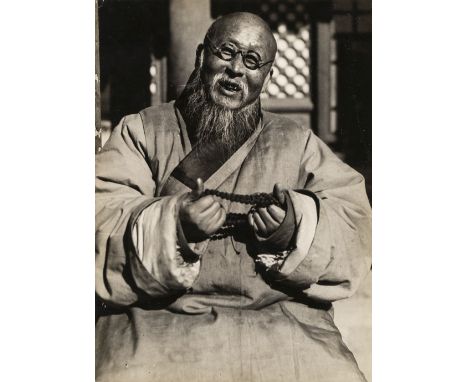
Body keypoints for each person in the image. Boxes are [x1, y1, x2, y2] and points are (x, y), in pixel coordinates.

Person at [95, 12, 371, 382]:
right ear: (200, 56)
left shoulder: (297, 141)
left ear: (268, 76)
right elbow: (100, 212)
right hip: (159, 314)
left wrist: (295, 225)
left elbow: (354, 221)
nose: (236, 70)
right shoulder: (142, 130)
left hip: (276, 315)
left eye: (253, 61)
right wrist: (174, 223)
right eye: (226, 52)